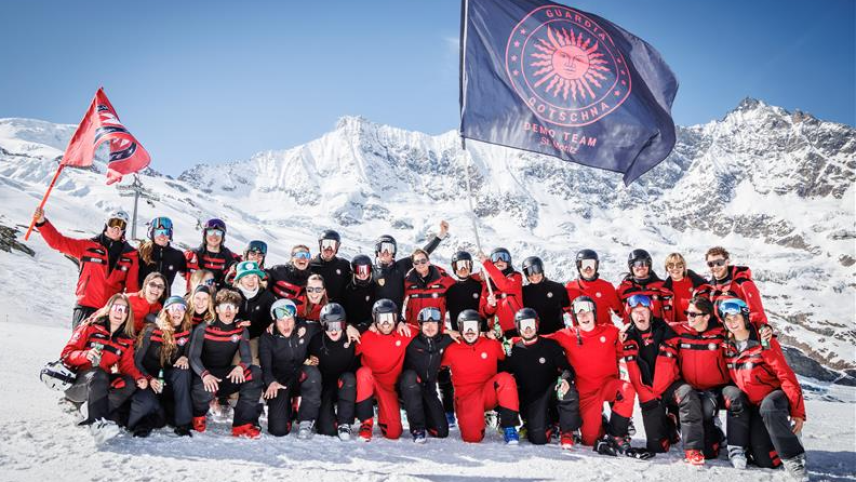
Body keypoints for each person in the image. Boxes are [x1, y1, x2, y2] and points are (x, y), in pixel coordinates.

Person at [545, 297, 649, 458]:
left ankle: (617, 434)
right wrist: (512, 341)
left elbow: (624, 346)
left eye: (587, 312)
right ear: (575, 316)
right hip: (587, 394)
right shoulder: (566, 335)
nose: (584, 316)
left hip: (608, 385)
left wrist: (625, 338)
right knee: (589, 440)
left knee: (626, 389)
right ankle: (602, 424)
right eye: (579, 313)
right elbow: (538, 341)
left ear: (594, 313)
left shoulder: (610, 331)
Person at [721, 298, 807, 481]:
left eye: (736, 318)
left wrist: (797, 413)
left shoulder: (763, 341)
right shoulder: (727, 345)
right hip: (753, 405)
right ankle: (761, 444)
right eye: (727, 319)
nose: (732, 322)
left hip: (773, 398)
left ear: (745, 318)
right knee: (765, 460)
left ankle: (794, 458)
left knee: (769, 406)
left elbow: (786, 375)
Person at [33, 208, 140, 328]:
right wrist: (42, 222)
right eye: (113, 222)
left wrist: (132, 317)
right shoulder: (88, 246)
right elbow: (58, 242)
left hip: (110, 311)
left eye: (121, 225)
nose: (116, 228)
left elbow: (132, 289)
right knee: (79, 340)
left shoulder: (130, 255)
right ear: (106, 223)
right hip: (86, 306)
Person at [61, 294, 146, 434]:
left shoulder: (126, 340)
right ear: (108, 309)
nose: (120, 312)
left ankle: (93, 412)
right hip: (76, 384)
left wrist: (139, 378)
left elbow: (127, 366)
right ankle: (95, 422)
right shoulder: (90, 327)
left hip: (100, 383)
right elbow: (66, 354)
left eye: (124, 310)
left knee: (128, 383)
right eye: (117, 308)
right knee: (98, 374)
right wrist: (85, 355)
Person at [188, 289, 263, 438]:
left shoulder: (241, 330)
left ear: (237, 310)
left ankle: (242, 424)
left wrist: (240, 368)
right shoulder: (204, 328)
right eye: (224, 306)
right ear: (217, 309)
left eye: (232, 307)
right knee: (201, 389)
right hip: (204, 376)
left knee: (255, 373)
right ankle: (197, 415)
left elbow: (246, 357)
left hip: (225, 376)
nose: (228, 310)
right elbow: (193, 357)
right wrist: (205, 375)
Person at [502, 308, 580, 449]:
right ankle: (549, 425)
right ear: (518, 327)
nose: (527, 329)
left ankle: (567, 432)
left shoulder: (550, 346)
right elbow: (501, 376)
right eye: (523, 324)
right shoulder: (513, 351)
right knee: (538, 439)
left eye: (531, 324)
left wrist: (566, 379)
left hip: (552, 392)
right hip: (532, 401)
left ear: (537, 325)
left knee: (567, 388)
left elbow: (567, 369)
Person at [440, 309, 520, 444]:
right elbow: (436, 366)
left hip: (487, 392)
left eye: (473, 326)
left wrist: (510, 339)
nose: (470, 331)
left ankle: (509, 426)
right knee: (472, 438)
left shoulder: (491, 343)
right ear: (460, 328)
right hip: (467, 399)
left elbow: (507, 350)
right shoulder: (451, 348)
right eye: (466, 327)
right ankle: (479, 419)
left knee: (506, 379)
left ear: (479, 328)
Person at [668, 296, 731, 465]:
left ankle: (715, 430)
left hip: (713, 390)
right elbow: (657, 325)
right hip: (690, 389)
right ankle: (692, 445)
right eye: (688, 313)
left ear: (707, 316)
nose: (689, 317)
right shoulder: (680, 329)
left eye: (694, 314)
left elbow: (745, 327)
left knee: (710, 452)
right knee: (690, 400)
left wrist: (764, 328)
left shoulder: (721, 333)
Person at [620, 294, 682, 454]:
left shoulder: (665, 329)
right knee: (657, 447)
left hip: (670, 386)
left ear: (651, 312)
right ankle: (669, 425)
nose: (640, 315)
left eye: (644, 310)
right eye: (636, 312)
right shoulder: (626, 337)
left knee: (688, 395)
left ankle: (675, 414)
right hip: (648, 392)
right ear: (630, 315)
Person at [128, 296, 194, 437]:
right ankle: (142, 424)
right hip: (147, 380)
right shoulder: (151, 330)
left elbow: (191, 354)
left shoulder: (187, 331)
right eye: (173, 308)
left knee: (183, 372)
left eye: (181, 308)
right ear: (166, 312)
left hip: (167, 381)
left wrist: (185, 357)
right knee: (148, 405)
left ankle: (183, 423)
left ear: (185, 312)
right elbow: (136, 361)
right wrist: (149, 379)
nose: (177, 312)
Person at [259, 298, 323, 438]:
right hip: (281, 381)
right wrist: (271, 382)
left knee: (312, 373)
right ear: (275, 321)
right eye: (281, 320)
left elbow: (329, 324)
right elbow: (266, 367)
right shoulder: (267, 338)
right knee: (278, 430)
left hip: (301, 375)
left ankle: (306, 419)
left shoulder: (306, 329)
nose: (286, 324)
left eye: (289, 319)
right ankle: (289, 409)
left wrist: (349, 327)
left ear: (295, 319)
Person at [354, 299, 415, 441]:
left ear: (396, 318)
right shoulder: (366, 337)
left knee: (394, 433)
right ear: (375, 318)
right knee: (363, 373)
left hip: (388, 388)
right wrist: (350, 327)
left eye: (390, 317)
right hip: (369, 382)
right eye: (381, 318)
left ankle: (383, 415)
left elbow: (428, 330)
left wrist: (448, 331)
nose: (386, 322)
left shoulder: (403, 332)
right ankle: (366, 422)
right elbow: (343, 348)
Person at [400, 307, 458, 443]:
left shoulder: (445, 340)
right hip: (407, 387)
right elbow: (391, 327)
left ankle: (424, 415)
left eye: (434, 323)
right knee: (409, 377)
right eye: (426, 323)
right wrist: (399, 323)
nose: (430, 327)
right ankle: (417, 428)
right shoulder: (410, 337)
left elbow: (469, 335)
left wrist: (487, 334)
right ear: (420, 325)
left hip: (428, 390)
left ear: (440, 325)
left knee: (441, 431)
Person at [440, 250, 483, 426]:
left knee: (480, 373)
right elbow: (441, 310)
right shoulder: (451, 289)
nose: (463, 268)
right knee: (448, 373)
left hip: (479, 335)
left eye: (466, 264)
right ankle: (449, 411)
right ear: (454, 267)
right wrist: (446, 331)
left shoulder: (479, 284)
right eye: (459, 265)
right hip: (458, 336)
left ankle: (486, 410)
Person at [307, 303, 359, 440]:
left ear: (344, 324)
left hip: (347, 385)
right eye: (329, 326)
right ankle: (327, 418)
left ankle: (345, 422)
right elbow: (301, 358)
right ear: (322, 325)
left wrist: (350, 326)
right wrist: (308, 361)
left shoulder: (351, 337)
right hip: (326, 386)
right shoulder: (316, 340)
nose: (334, 330)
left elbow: (370, 327)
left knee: (349, 378)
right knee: (326, 430)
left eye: (338, 325)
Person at [373, 220, 449, 311]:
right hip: (376, 317)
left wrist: (440, 235)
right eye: (382, 248)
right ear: (377, 251)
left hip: (396, 317)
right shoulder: (370, 271)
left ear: (394, 252)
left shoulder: (400, 267)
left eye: (389, 248)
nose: (385, 252)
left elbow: (423, 253)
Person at [702, 246, 769, 326]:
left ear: (727, 262)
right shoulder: (709, 288)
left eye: (719, 262)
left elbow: (757, 315)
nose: (715, 266)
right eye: (711, 264)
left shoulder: (743, 284)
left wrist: (762, 328)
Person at [566, 249, 623, 326]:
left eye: (591, 264)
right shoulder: (569, 288)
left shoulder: (607, 287)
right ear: (578, 266)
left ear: (596, 266)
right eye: (585, 264)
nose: (588, 268)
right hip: (581, 332)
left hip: (605, 332)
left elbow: (622, 313)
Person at [616, 249, 675, 324]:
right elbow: (617, 310)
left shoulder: (663, 286)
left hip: (659, 328)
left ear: (649, 265)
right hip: (633, 329)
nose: (641, 266)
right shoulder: (622, 288)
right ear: (631, 266)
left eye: (645, 263)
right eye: (637, 263)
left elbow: (673, 308)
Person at [233, 261, 276, 359]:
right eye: (246, 277)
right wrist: (236, 322)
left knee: (245, 360)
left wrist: (273, 323)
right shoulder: (232, 294)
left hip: (255, 338)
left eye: (254, 277)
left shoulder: (267, 296)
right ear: (240, 279)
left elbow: (276, 314)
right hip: (233, 335)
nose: (251, 280)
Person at [184, 218, 241, 290]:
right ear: (205, 234)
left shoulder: (231, 258)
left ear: (222, 236)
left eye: (218, 233)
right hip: (197, 294)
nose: (214, 236)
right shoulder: (194, 254)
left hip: (222, 295)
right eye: (210, 232)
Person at [477, 249, 524, 337]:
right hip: (497, 332)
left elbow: (505, 286)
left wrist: (487, 264)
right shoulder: (487, 284)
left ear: (508, 261)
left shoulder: (515, 276)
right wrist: (490, 306)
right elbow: (483, 312)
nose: (500, 261)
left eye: (504, 257)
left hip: (516, 329)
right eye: (495, 258)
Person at [402, 250, 455, 327]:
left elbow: (459, 288)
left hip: (436, 329)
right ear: (413, 265)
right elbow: (397, 299)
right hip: (415, 328)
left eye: (423, 261)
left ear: (428, 262)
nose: (420, 264)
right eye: (417, 262)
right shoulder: (408, 282)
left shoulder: (443, 279)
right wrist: (401, 320)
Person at [521, 256, 571, 335]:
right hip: (537, 337)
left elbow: (568, 307)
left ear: (542, 269)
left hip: (558, 335)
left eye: (536, 269)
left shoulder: (557, 288)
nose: (533, 275)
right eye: (529, 271)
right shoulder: (524, 292)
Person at [137, 217, 187, 294]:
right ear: (152, 233)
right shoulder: (141, 251)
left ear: (170, 234)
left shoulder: (176, 255)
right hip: (142, 298)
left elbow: (191, 275)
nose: (162, 235)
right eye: (158, 232)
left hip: (164, 299)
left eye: (166, 232)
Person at [662, 253, 708, 323]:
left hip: (697, 326)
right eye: (671, 266)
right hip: (677, 328)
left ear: (684, 267)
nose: (675, 268)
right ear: (667, 269)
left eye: (679, 265)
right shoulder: (664, 290)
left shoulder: (697, 282)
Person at [310, 230, 351, 303]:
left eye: (333, 245)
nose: (329, 248)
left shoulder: (344, 265)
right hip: (316, 305)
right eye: (325, 244)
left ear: (337, 247)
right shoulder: (311, 264)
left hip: (337, 306)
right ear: (320, 245)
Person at [341, 254, 376, 332]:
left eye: (365, 270)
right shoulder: (347, 287)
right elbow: (342, 308)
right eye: (359, 270)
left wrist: (366, 324)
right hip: (350, 327)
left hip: (369, 326)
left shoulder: (374, 287)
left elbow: (377, 308)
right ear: (353, 271)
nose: (362, 274)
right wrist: (347, 325)